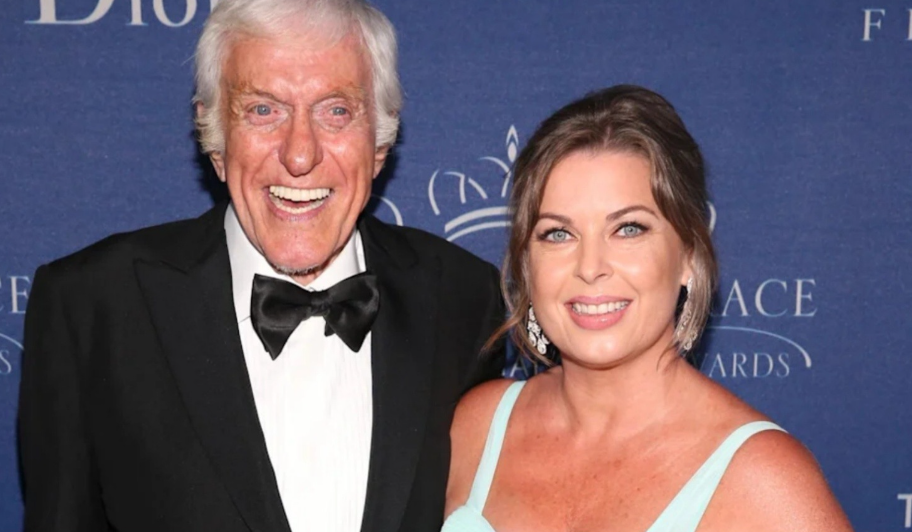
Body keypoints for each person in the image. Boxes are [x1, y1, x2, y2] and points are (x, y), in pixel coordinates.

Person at [18, 1, 505, 531]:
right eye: (263, 110)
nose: (299, 155)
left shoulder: (463, 299)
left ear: (380, 144)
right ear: (215, 140)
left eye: (336, 111)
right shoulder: (93, 307)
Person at [443, 85, 853, 532]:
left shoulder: (763, 481)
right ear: (526, 263)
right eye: (558, 234)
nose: (590, 267)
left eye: (628, 229)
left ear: (689, 255)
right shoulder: (478, 427)